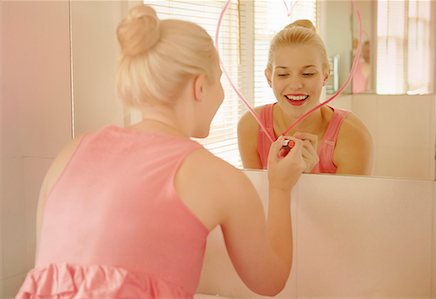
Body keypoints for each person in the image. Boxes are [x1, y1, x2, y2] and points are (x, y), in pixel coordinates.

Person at [15, 5, 314, 299]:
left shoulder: (70, 153)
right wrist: (279, 187)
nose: (222, 94)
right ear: (199, 87)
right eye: (219, 80)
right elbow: (270, 280)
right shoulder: (217, 178)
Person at [238, 20, 373, 175]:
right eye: (283, 74)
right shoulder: (252, 126)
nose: (295, 85)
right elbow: (255, 198)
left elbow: (351, 200)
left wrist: (307, 180)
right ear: (269, 78)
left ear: (325, 75)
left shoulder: (352, 135)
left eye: (308, 73)